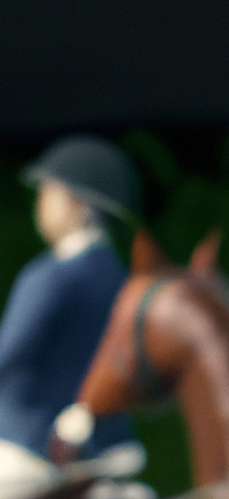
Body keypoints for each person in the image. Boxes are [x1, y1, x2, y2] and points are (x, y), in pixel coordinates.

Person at [0, 135, 139, 462]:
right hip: (110, 449)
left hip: (30, 446)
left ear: (78, 203)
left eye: (48, 192)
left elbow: (8, 359)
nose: (40, 204)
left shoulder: (48, 276)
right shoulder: (126, 281)